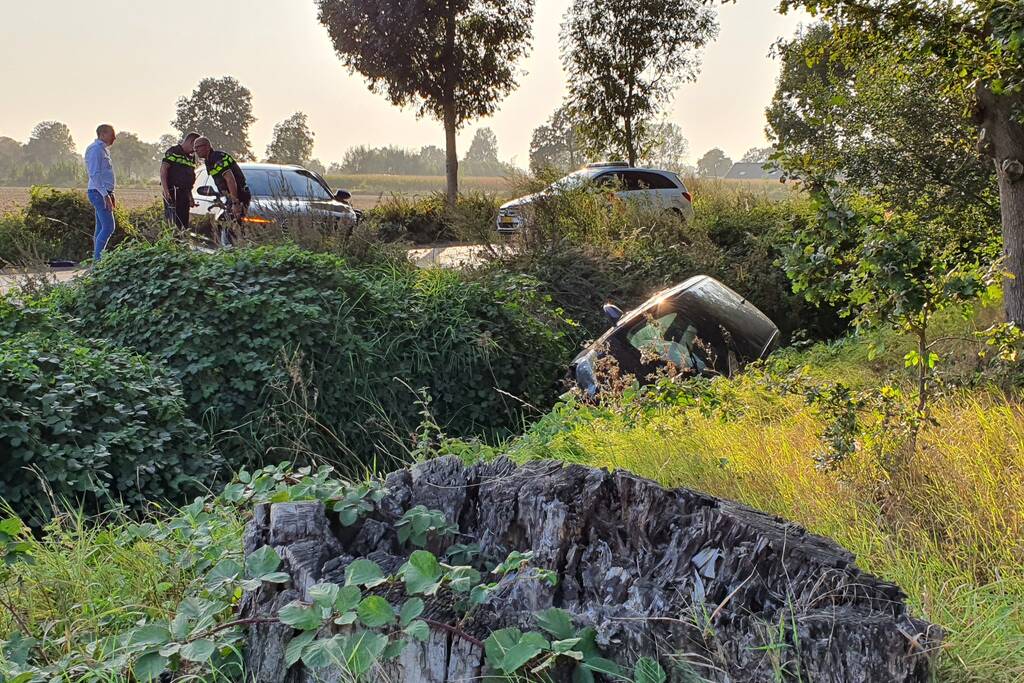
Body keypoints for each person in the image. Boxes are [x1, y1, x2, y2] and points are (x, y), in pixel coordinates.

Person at [193, 137, 251, 246]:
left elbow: (230, 179)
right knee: (229, 225)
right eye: (194, 148)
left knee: (232, 227)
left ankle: (235, 251)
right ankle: (233, 249)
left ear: (207, 147)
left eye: (198, 147)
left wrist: (235, 203)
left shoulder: (217, 158)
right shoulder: (209, 160)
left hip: (238, 196)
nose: (195, 151)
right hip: (231, 197)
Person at [84, 124, 117, 262]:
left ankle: (96, 260)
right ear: (102, 134)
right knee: (109, 227)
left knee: (101, 228)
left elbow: (105, 174)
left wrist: (111, 193)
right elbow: (95, 174)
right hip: (98, 193)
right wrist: (105, 195)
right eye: (111, 134)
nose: (114, 137)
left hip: (103, 192)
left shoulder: (104, 150)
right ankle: (98, 262)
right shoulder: (95, 149)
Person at [160, 132, 200, 232]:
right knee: (173, 223)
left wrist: (190, 197)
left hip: (185, 194)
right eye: (194, 147)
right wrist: (166, 190)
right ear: (191, 142)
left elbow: (189, 178)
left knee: (184, 223)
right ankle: (173, 244)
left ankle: (182, 242)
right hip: (173, 192)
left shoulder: (191, 157)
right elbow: (163, 170)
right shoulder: (174, 151)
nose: (194, 151)